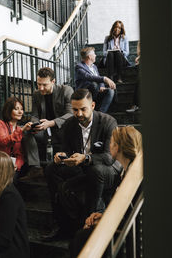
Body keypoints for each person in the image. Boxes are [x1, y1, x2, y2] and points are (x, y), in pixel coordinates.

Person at [42, 89, 120, 241]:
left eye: (83, 109)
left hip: (106, 169)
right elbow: (65, 149)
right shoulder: (70, 123)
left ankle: (85, 223)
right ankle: (61, 223)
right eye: (75, 109)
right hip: (80, 167)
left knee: (95, 171)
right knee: (52, 168)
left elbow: (109, 157)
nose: (78, 114)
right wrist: (61, 156)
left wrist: (86, 158)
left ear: (92, 105)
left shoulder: (108, 122)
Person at [69, 126, 143, 258]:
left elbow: (134, 217)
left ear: (118, 147)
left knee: (81, 238)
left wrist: (103, 223)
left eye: (111, 142)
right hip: (123, 226)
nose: (109, 145)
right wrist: (102, 216)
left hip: (132, 236)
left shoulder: (135, 174)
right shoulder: (125, 170)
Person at [22, 67, 74, 178]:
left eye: (44, 85)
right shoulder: (36, 94)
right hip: (44, 129)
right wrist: (34, 124)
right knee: (27, 132)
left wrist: (51, 123)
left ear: (53, 82)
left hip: (63, 129)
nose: (40, 88)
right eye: (38, 84)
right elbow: (35, 115)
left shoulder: (66, 90)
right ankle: (35, 168)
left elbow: (70, 114)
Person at [0, 97, 32, 178]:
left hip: (9, 165)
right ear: (9, 111)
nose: (20, 112)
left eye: (22, 109)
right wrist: (22, 130)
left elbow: (19, 154)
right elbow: (4, 141)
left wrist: (17, 165)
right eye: (16, 109)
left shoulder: (18, 129)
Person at [75, 47, 116, 113]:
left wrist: (102, 85)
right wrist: (104, 78)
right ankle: (90, 109)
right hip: (84, 93)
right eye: (94, 54)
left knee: (111, 91)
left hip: (95, 91)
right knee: (93, 84)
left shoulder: (94, 67)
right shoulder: (79, 67)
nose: (95, 55)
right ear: (89, 56)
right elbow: (89, 77)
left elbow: (98, 77)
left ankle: (101, 113)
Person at [127, 41, 141, 113]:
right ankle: (135, 104)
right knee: (139, 81)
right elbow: (139, 53)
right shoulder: (140, 42)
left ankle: (135, 105)